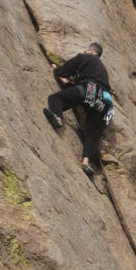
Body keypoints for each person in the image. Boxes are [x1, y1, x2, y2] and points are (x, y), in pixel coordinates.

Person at [43, 43, 111, 176]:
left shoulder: (85, 57)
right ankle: (86, 162)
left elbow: (65, 71)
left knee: (55, 99)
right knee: (92, 132)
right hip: (103, 101)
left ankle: (57, 118)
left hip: (87, 90)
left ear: (90, 51)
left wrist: (56, 70)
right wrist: (68, 84)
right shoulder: (103, 70)